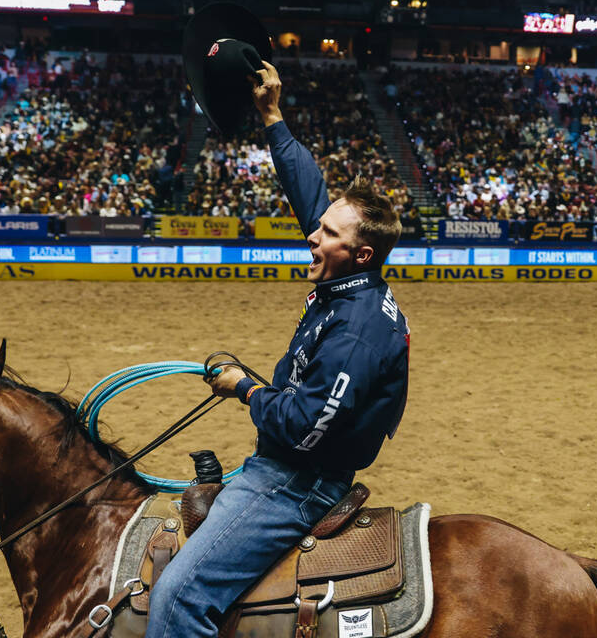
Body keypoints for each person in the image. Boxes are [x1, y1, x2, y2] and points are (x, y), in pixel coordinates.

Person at [144, 61, 410, 638]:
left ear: (360, 254)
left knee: (174, 600)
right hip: (295, 462)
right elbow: (307, 193)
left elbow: (303, 424)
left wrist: (244, 387)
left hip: (297, 478)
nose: (313, 236)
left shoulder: (358, 330)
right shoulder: (349, 284)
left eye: (329, 234)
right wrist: (272, 116)